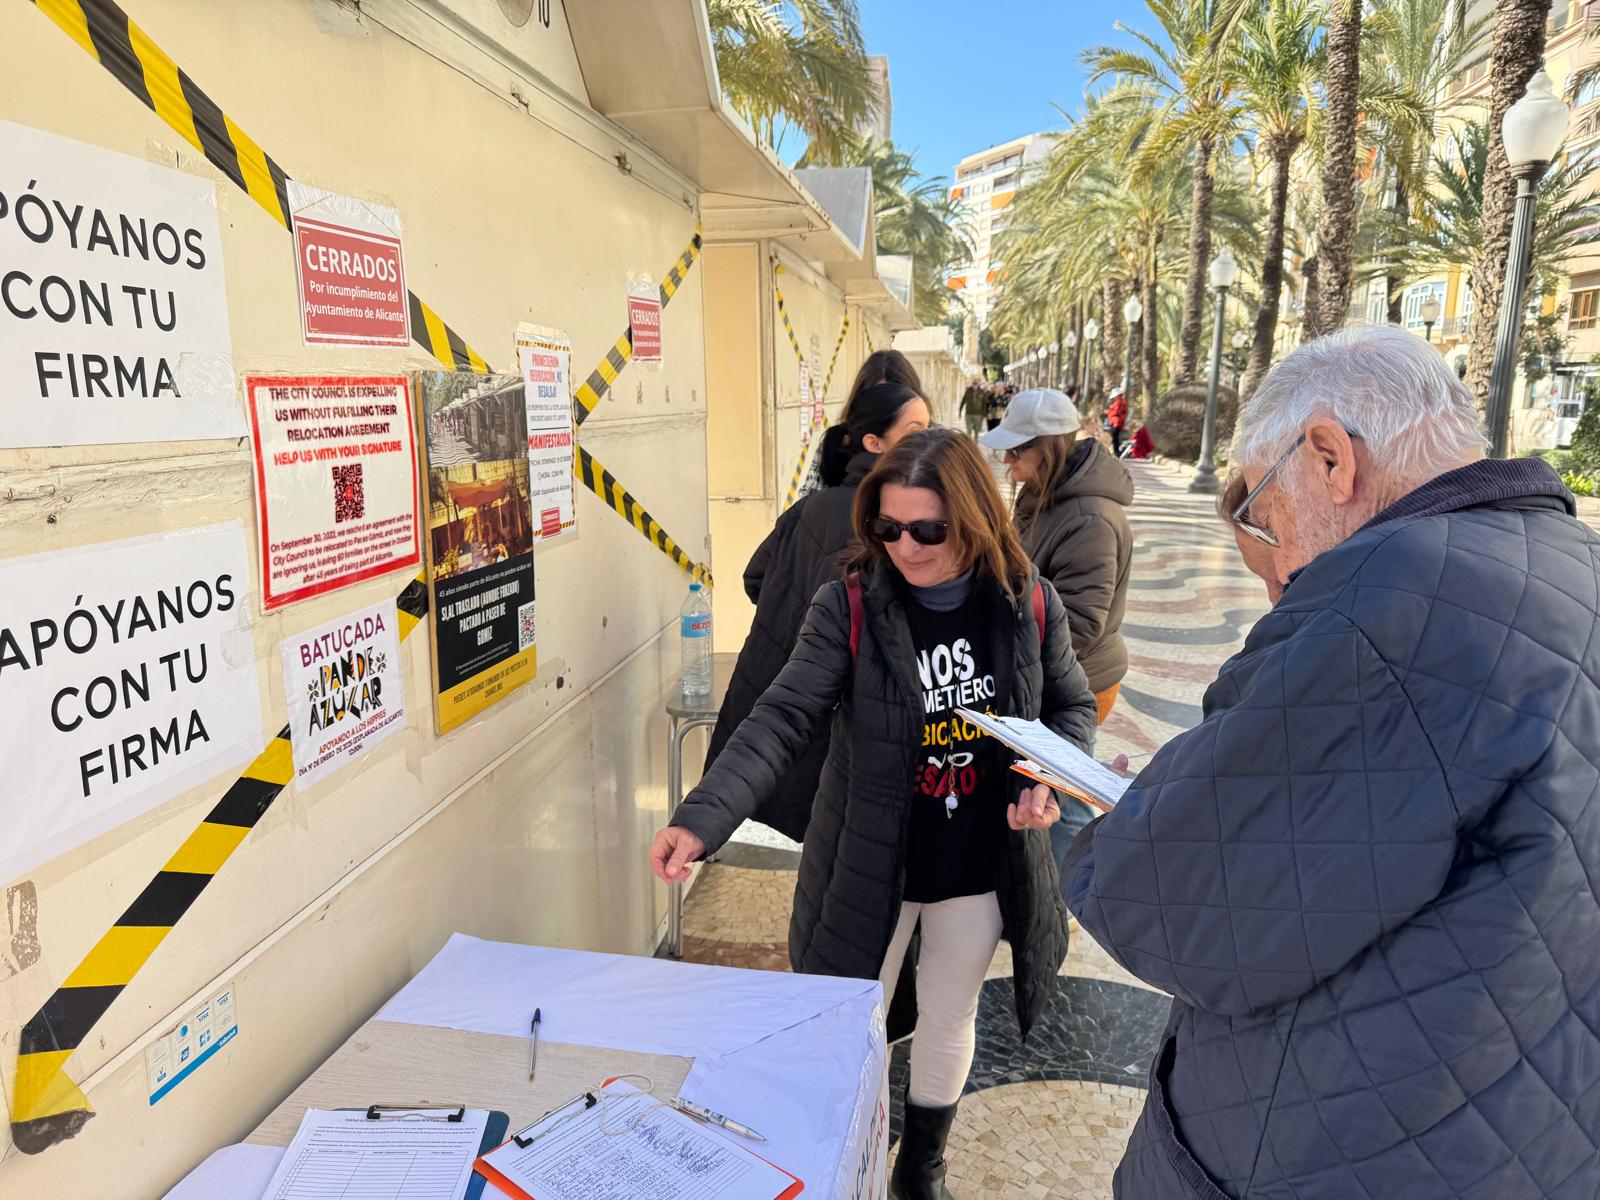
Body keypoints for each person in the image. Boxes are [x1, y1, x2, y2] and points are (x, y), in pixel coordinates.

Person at [1064, 325, 1600, 1199]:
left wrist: (1083, 837)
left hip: (1332, 1148)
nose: (1279, 588)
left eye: (1269, 527)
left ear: (1328, 457)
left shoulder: (1389, 598)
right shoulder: (1579, 566)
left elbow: (1177, 900)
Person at [654, 428, 1096, 1200]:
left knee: (951, 1014)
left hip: (979, 860)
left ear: (974, 520)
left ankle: (921, 1166)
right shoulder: (850, 603)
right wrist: (702, 818)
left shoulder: (1025, 600)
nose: (906, 547)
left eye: (928, 530)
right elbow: (783, 715)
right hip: (870, 855)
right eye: (888, 528)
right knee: (851, 1027)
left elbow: (1070, 706)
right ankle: (852, 1156)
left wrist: (1044, 781)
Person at [704, 351, 931, 842]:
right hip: (874, 722)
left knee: (833, 849)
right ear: (872, 437)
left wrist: (805, 624)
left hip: (811, 711)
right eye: (915, 429)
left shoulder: (815, 506)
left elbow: (758, 578)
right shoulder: (912, 515)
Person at [982, 388, 1133, 865]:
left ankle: (1067, 896)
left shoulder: (1088, 517)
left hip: (1079, 678)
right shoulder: (1046, 495)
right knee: (1052, 784)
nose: (1006, 457)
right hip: (1059, 670)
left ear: (1045, 449)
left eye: (1017, 448)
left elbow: (1082, 623)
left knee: (1061, 795)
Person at [1104, 386, 1128, 457]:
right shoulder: (1123, 402)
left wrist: (1108, 412)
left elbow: (1116, 412)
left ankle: (1116, 452)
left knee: (1114, 438)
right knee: (1115, 438)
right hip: (1118, 422)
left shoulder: (1119, 403)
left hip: (1116, 422)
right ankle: (1116, 452)